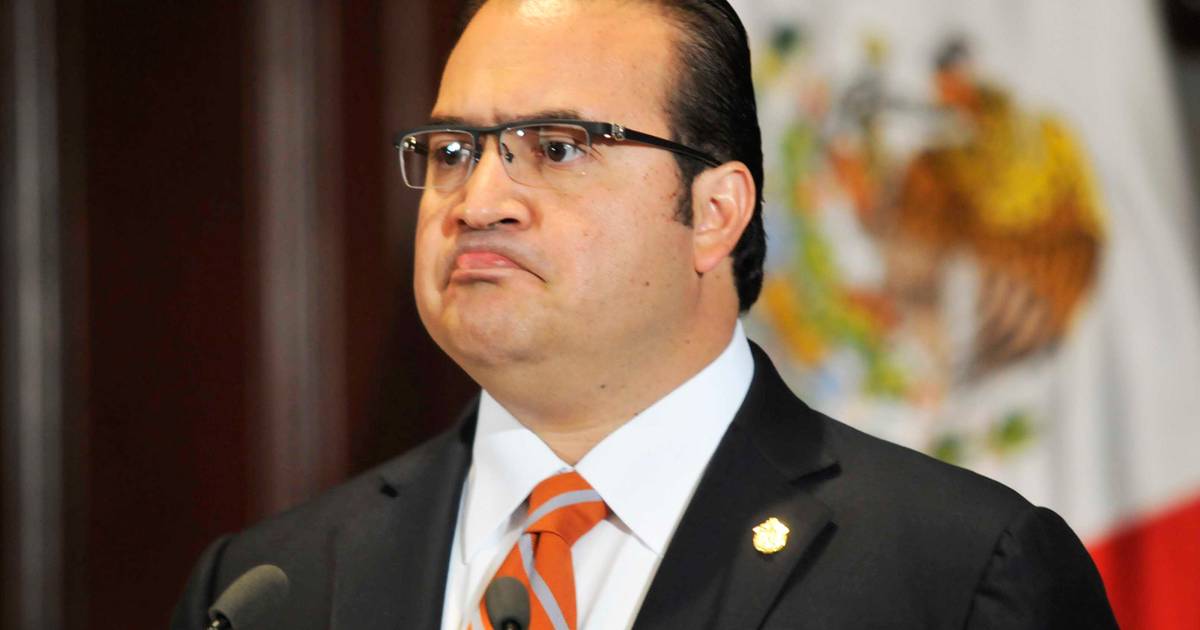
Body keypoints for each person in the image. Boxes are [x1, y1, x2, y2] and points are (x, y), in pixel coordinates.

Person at [172, 1, 1118, 628]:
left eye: (557, 146)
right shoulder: (266, 591)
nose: (479, 200)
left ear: (714, 212)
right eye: (453, 150)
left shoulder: (958, 577)